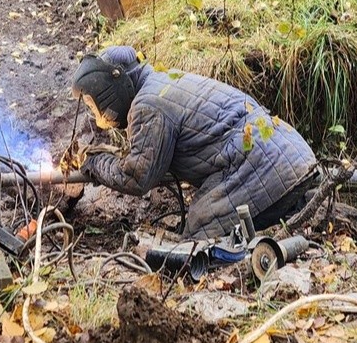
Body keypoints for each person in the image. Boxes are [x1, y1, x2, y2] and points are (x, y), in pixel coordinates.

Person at [71, 46, 317, 239]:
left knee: (198, 235)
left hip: (263, 167)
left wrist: (92, 161)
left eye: (96, 105)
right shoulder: (165, 80)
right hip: (291, 153)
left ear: (117, 84)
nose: (98, 114)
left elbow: (136, 177)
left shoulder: (148, 105)